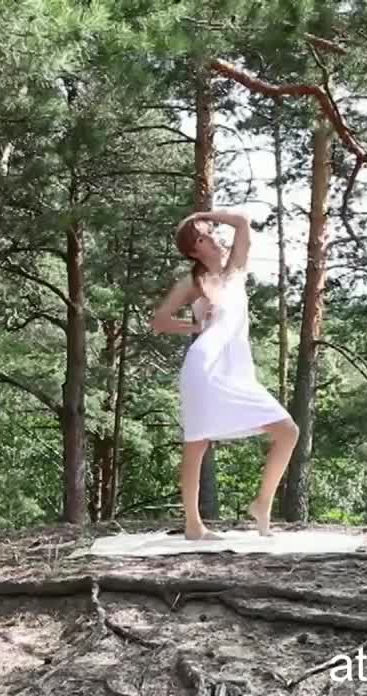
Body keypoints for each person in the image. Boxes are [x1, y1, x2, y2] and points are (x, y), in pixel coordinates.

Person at [151, 209, 299, 540]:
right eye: (203, 237)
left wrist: (201, 214)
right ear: (194, 250)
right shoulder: (193, 282)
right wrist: (196, 327)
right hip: (203, 365)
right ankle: (194, 525)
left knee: (288, 431)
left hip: (236, 370)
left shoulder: (235, 269)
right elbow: (159, 321)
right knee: (196, 442)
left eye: (211, 231)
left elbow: (243, 222)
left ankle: (262, 505)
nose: (213, 237)